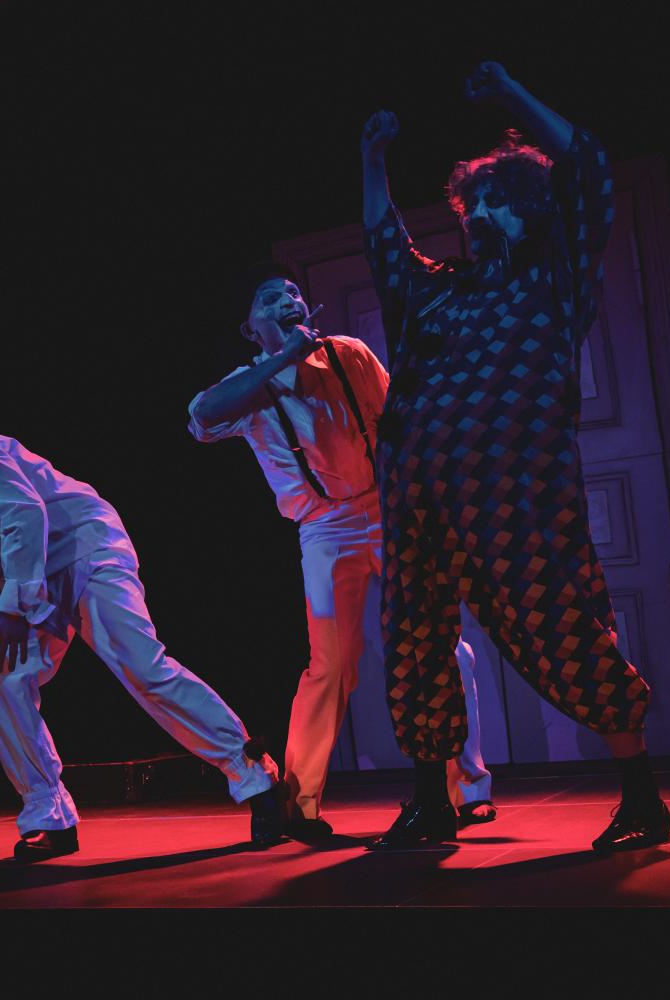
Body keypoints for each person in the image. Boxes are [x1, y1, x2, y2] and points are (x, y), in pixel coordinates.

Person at [360, 61, 670, 852]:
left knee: (563, 626)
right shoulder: (436, 289)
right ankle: (431, 802)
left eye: (496, 199)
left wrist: (509, 96)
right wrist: (373, 160)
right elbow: (383, 243)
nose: (479, 212)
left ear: (530, 209)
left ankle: (643, 797)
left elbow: (587, 165)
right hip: (418, 495)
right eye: (473, 202)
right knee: (414, 641)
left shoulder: (552, 278)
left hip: (514, 496)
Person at [0, 421, 285, 862]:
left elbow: (22, 511)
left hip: (83, 547)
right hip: (37, 576)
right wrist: (2, 610)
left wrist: (11, 609)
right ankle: (50, 815)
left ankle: (255, 775)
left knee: (141, 664)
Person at [188, 263, 494, 842]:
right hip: (324, 528)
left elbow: (400, 419)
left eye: (293, 293)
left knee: (448, 649)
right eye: (270, 298)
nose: (287, 301)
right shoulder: (250, 383)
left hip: (387, 512)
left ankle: (469, 788)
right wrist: (282, 358)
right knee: (331, 664)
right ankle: (299, 804)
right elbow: (202, 417)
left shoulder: (348, 353)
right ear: (251, 328)